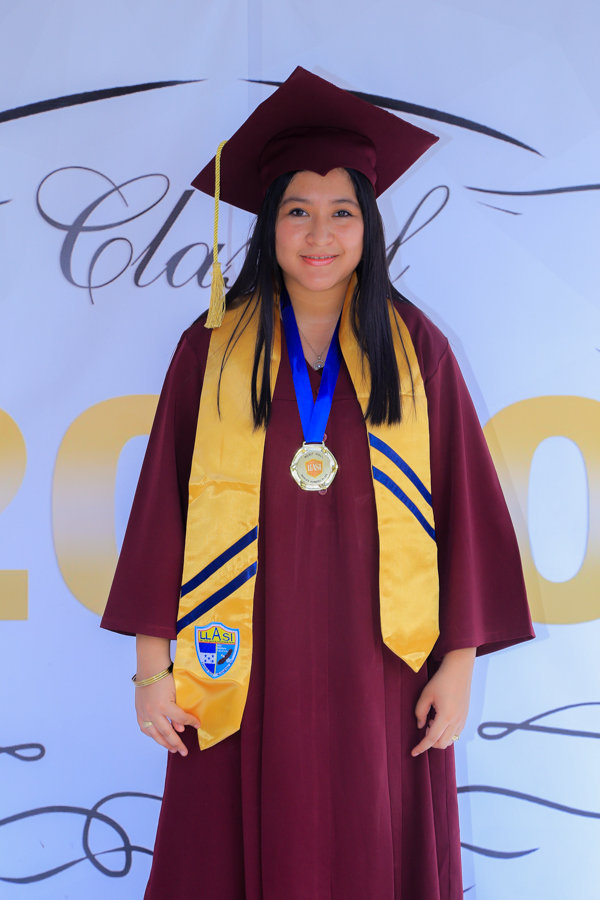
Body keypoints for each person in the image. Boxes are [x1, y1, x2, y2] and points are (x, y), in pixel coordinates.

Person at [101, 67, 534, 900]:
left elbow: (467, 514)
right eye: (298, 211)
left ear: (370, 226)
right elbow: (161, 509)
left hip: (384, 670)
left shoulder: (416, 349)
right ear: (268, 224)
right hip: (238, 663)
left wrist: (459, 665)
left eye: (343, 212)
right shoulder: (211, 349)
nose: (320, 235)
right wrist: (152, 672)